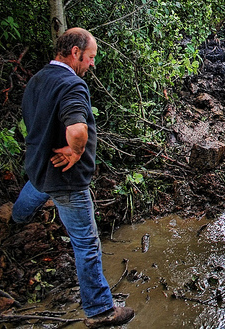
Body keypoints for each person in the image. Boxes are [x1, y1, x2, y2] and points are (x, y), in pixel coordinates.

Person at [11, 28, 134, 328]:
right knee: (87, 244)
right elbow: (77, 130)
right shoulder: (72, 86)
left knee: (37, 187)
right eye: (90, 57)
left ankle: (15, 218)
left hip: (40, 168)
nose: (92, 64)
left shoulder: (38, 80)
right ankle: (100, 310)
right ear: (76, 52)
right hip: (66, 179)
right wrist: (76, 151)